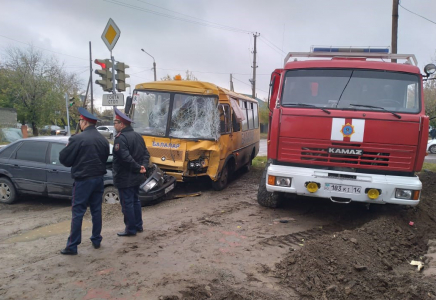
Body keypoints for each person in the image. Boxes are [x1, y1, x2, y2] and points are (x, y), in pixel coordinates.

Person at [59, 107, 110, 255]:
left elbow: (64, 159)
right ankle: (96, 239)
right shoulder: (103, 140)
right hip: (98, 179)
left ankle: (72, 246)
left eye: (80, 120)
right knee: (96, 210)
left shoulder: (77, 138)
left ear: (85, 122)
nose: (79, 123)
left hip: (83, 180)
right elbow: (104, 158)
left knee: (78, 212)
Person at [112, 107, 150, 236]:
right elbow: (146, 153)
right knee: (135, 201)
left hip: (125, 177)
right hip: (136, 176)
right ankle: (138, 226)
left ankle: (130, 229)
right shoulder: (138, 136)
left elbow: (125, 158)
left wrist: (138, 167)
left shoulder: (120, 139)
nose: (114, 125)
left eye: (115, 123)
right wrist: (143, 166)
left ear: (121, 124)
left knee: (127, 203)